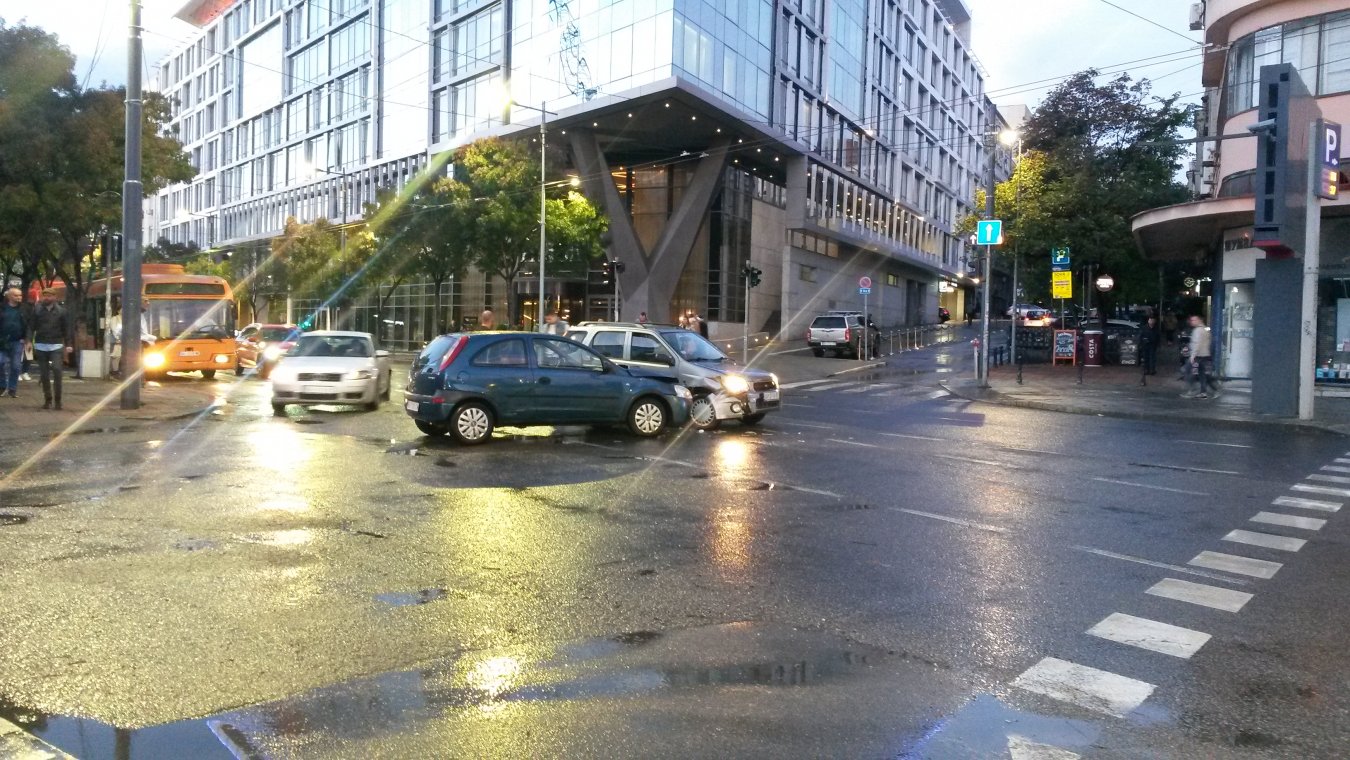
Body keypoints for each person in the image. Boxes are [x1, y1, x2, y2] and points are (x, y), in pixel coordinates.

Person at [29, 288, 71, 409]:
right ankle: (48, 399)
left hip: (56, 345)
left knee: (57, 370)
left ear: (55, 297)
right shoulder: (37, 310)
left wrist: (68, 344)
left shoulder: (61, 311)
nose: (46, 298)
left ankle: (58, 400)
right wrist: (28, 340)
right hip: (41, 344)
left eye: (49, 296)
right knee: (44, 374)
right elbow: (31, 326)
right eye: (45, 296)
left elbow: (66, 328)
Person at [1182, 314, 1220, 399]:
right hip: (1205, 354)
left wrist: (1193, 356)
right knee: (1203, 374)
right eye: (1191, 320)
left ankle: (1193, 390)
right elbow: (1210, 340)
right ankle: (1206, 391)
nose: (1192, 322)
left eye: (1194, 320)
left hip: (1198, 355)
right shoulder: (1206, 329)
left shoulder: (1197, 330)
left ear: (1199, 320)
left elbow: (1197, 343)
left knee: (1187, 370)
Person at [0, 287, 28, 398]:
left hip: (17, 341)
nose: (19, 297)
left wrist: (26, 338)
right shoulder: (2, 308)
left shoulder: (24, 309)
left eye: (20, 295)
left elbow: (28, 325)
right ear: (9, 296)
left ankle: (12, 388)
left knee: (16, 366)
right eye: (16, 295)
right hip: (2, 341)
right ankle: (2, 385)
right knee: (0, 363)